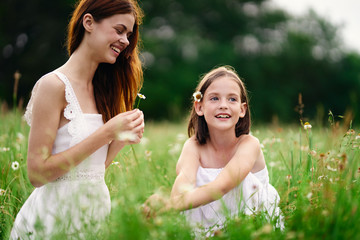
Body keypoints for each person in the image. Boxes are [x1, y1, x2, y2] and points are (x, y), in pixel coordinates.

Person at [10, 0, 144, 238]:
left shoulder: (103, 90)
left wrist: (119, 140)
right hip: (52, 220)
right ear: (89, 22)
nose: (125, 40)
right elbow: (37, 174)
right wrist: (106, 133)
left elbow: (92, 171)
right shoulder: (53, 85)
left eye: (129, 34)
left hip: (92, 214)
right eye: (119, 30)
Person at [145, 66, 284, 236]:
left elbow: (221, 187)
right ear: (199, 107)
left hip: (252, 223)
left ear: (242, 110)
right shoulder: (193, 146)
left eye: (232, 99)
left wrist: (168, 206)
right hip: (208, 224)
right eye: (214, 98)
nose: (223, 105)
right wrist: (170, 203)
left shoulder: (249, 144)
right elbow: (183, 185)